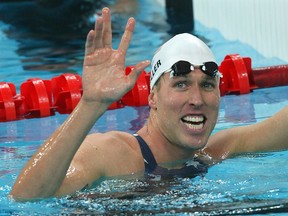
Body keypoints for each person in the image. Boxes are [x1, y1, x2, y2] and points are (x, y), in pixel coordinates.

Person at [10, 7, 288, 201]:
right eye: (181, 84)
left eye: (207, 85)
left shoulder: (211, 154)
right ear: (152, 97)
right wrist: (91, 103)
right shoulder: (114, 153)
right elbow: (26, 198)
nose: (197, 99)